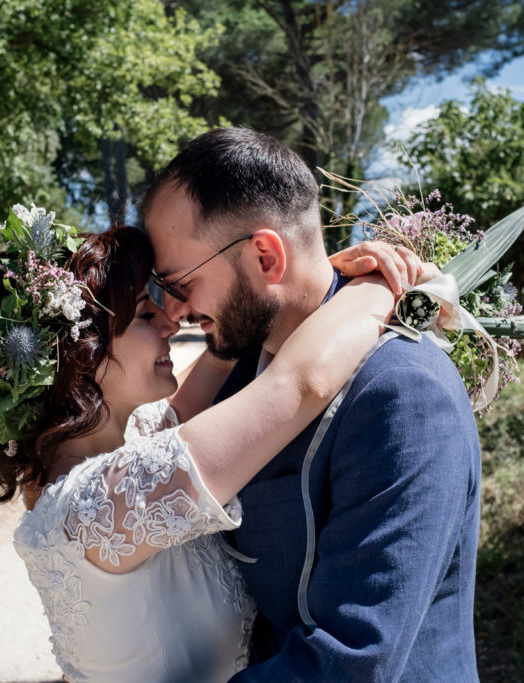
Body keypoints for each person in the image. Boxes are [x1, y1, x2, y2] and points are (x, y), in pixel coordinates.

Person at [0, 223, 422, 682]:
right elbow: (297, 385)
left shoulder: (140, 443)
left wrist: (311, 285)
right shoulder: (102, 505)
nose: (173, 322)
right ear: (81, 352)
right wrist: (386, 286)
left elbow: (227, 349)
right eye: (146, 315)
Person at [142, 127, 482, 681]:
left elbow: (351, 659)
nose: (174, 312)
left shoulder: (403, 391)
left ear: (264, 256)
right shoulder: (242, 371)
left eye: (180, 283)